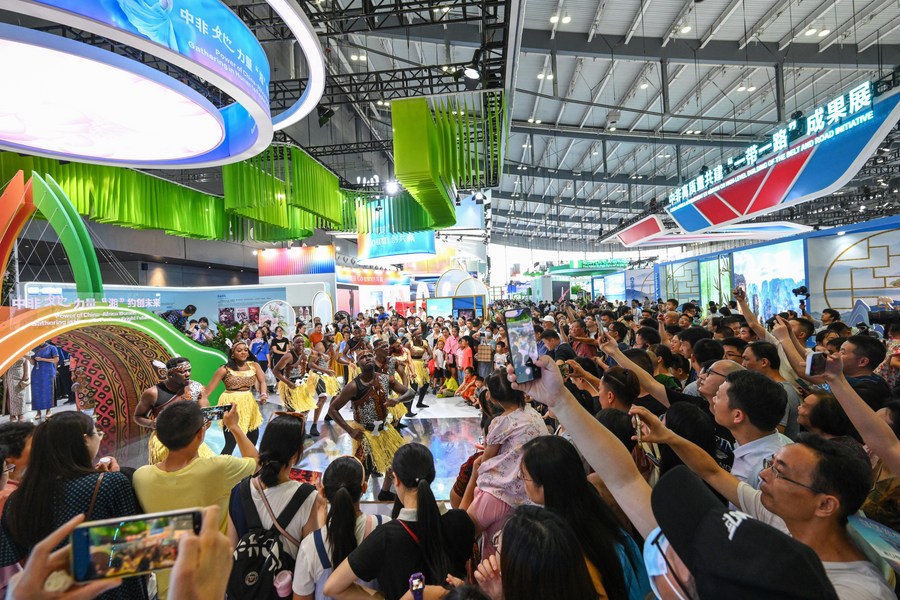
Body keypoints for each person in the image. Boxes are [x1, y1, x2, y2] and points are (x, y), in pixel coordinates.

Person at [632, 406, 896, 599]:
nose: (762, 475)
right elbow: (712, 472)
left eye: (779, 472)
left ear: (825, 505)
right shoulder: (787, 518)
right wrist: (668, 436)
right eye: (771, 463)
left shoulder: (855, 592)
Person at [0, 413, 148, 600]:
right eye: (97, 433)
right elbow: (132, 549)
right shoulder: (111, 484)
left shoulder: (19, 497)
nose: (100, 437)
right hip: (108, 589)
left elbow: (9, 556)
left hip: (52, 590)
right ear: (85, 440)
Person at [132, 402, 258, 599]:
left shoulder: (141, 476)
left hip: (169, 588)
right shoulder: (217, 468)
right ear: (200, 434)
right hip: (211, 584)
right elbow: (256, 462)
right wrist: (234, 426)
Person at [323, 444, 474, 600]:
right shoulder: (462, 521)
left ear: (396, 480)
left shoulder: (385, 537)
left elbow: (332, 587)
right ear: (432, 475)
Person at [520, 435, 651, 600]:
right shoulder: (596, 512)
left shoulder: (562, 547)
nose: (522, 482)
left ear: (545, 486)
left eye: (524, 476)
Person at [466, 370, 548, 559]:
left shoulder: (501, 422)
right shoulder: (533, 413)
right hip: (530, 491)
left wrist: (476, 471)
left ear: (492, 397)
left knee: (470, 532)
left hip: (502, 489)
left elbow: (486, 458)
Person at [227, 413, 319, 561]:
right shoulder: (308, 496)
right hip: (287, 575)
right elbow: (310, 557)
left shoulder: (238, 490)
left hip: (243, 574)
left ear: (263, 447)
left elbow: (230, 550)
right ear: (296, 454)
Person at [293, 456, 387, 599]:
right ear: (364, 487)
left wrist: (321, 509)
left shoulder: (310, 546)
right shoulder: (384, 527)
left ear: (323, 493)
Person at [328, 348, 412, 478]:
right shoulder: (353, 386)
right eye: (362, 357)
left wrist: (397, 400)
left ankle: (385, 488)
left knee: (393, 466)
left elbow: (410, 393)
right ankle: (362, 488)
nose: (367, 358)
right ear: (357, 363)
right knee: (363, 472)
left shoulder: (385, 379)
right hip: (365, 434)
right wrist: (350, 431)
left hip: (385, 430)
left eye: (369, 355)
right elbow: (332, 410)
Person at [133, 357, 211, 463]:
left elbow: (207, 414)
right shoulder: (153, 393)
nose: (188, 374)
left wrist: (195, 431)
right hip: (165, 442)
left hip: (191, 439)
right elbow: (138, 417)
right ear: (170, 374)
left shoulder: (196, 388)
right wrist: (151, 423)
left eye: (189, 370)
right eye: (182, 372)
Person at [205, 340, 268, 455]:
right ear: (233, 354)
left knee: (252, 439)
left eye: (245, 350)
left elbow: (262, 381)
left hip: (249, 404)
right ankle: (223, 465)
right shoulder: (224, 369)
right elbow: (208, 391)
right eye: (239, 350)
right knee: (230, 443)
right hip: (231, 405)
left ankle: (250, 464)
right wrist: (201, 409)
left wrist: (263, 394)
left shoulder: (254, 366)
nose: (243, 352)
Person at [273, 335, 319, 416]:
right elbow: (275, 371)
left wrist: (322, 355)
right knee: (291, 409)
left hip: (301, 383)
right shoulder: (288, 356)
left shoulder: (306, 351)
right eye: (298, 342)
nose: (300, 344)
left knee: (306, 407)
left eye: (302, 342)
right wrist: (288, 383)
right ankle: (290, 422)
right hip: (289, 384)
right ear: (293, 344)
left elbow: (316, 353)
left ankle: (301, 422)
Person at [29, 342, 58, 420]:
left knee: (47, 391)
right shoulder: (34, 349)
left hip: (48, 371)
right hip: (36, 372)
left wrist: (42, 359)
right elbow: (33, 362)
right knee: (36, 392)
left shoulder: (51, 347)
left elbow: (56, 359)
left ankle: (48, 410)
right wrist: (27, 357)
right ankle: (38, 412)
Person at [3, 357, 29, 422]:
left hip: (20, 373)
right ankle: (12, 414)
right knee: (12, 394)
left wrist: (26, 374)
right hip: (10, 374)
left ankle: (20, 414)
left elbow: (25, 362)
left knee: (21, 395)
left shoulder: (21, 352)